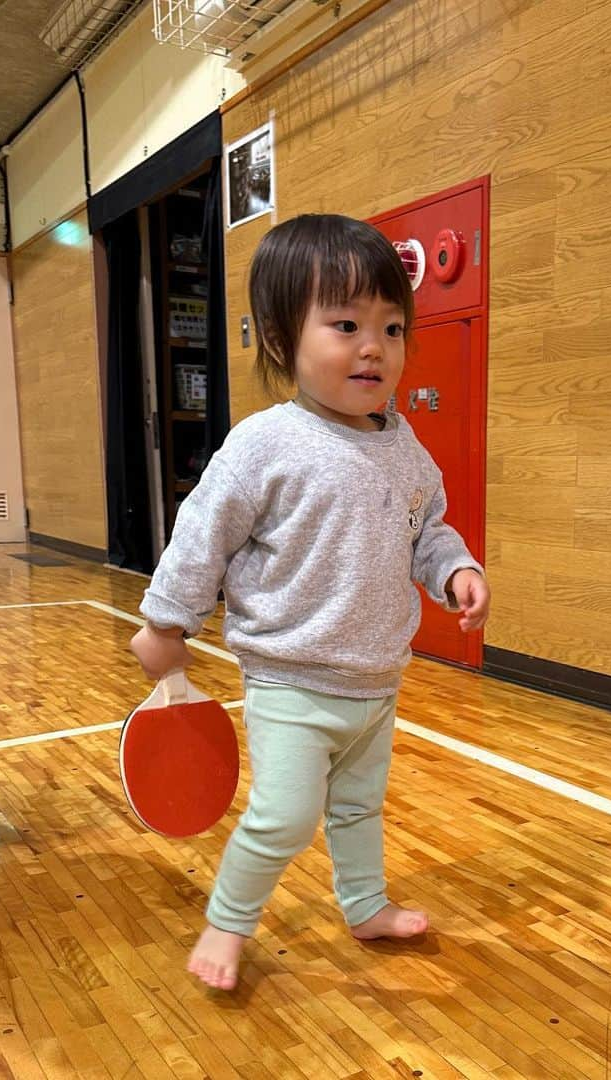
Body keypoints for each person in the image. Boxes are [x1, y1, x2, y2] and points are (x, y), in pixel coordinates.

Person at [129, 213, 490, 991]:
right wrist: (165, 623)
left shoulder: (405, 446)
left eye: (393, 328)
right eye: (347, 324)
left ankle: (364, 906)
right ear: (281, 340)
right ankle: (228, 924)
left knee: (358, 810)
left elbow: (427, 530)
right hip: (291, 680)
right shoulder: (266, 444)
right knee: (285, 818)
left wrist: (456, 570)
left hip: (375, 683)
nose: (375, 347)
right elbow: (203, 536)